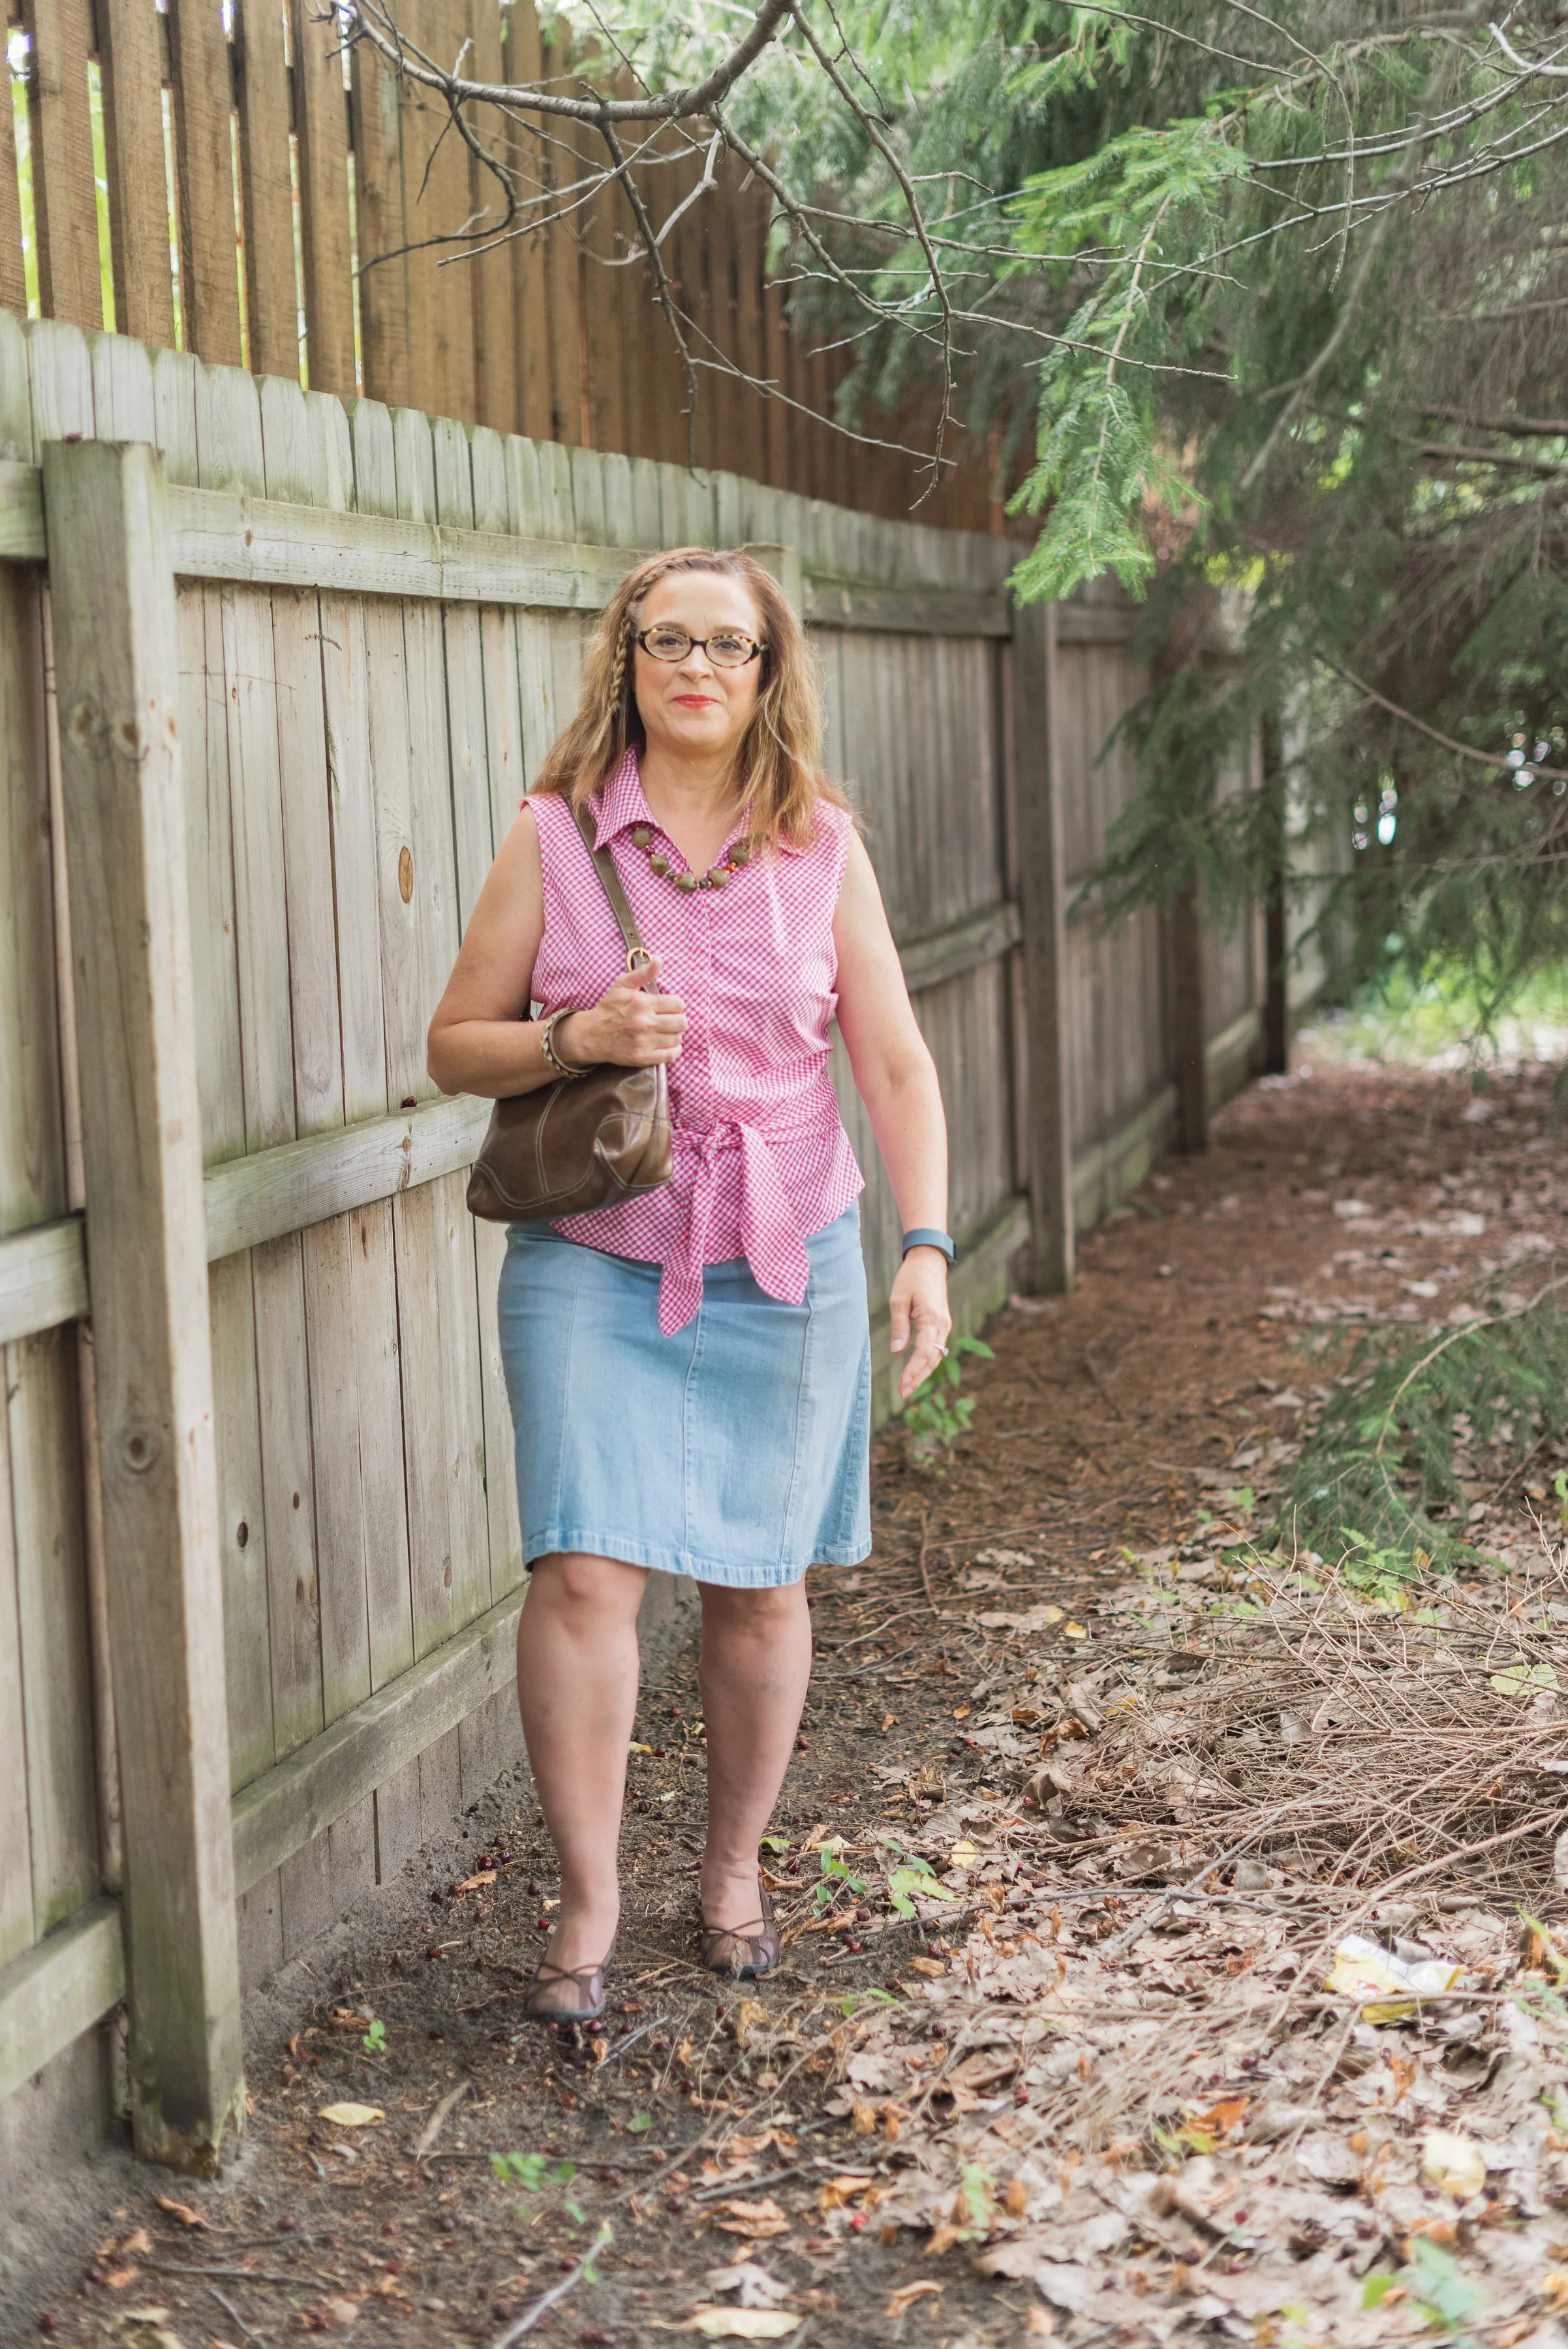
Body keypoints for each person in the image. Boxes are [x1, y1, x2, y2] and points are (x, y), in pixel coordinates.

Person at [427, 547, 952, 2020]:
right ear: (630, 662)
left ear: (768, 674)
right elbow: (455, 1039)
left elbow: (893, 1063)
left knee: (759, 1583)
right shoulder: (553, 838)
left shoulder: (822, 848)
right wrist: (574, 1039)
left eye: (729, 645)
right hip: (596, 1252)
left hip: (783, 1250)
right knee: (586, 1566)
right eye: (669, 641)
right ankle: (586, 1909)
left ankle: (730, 1870)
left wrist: (927, 1243)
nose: (698, 667)